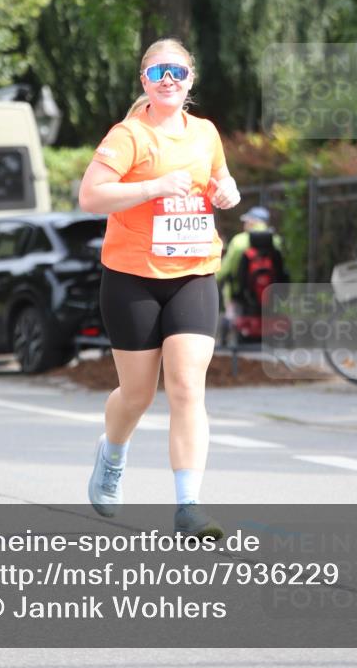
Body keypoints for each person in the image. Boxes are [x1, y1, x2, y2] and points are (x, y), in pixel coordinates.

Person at [79, 38, 241, 539]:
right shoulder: (128, 135)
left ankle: (189, 504)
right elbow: (90, 196)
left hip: (193, 271)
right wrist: (152, 187)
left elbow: (223, 183)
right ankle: (113, 451)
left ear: (190, 80)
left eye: (177, 71)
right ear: (143, 81)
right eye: (157, 72)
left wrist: (227, 192)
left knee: (188, 387)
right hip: (132, 277)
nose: (168, 79)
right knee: (137, 393)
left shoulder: (206, 132)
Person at [217, 207, 285, 333]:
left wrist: (213, 277)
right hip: (272, 291)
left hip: (240, 292)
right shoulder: (277, 241)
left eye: (246, 221)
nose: (244, 224)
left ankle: (230, 324)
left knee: (230, 295)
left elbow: (226, 268)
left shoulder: (239, 241)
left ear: (253, 222)